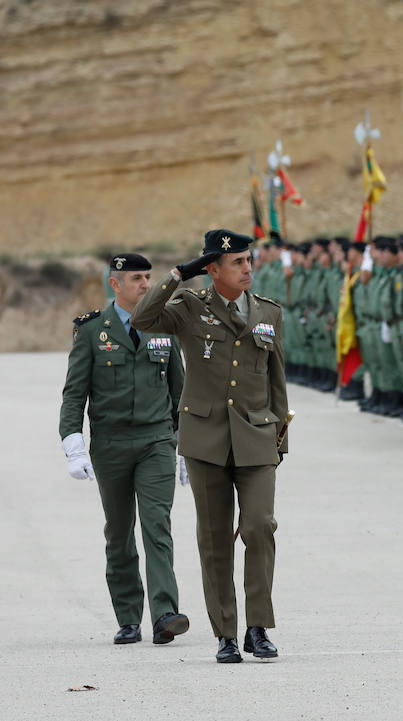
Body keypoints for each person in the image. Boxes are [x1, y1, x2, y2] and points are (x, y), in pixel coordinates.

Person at [131, 229, 289, 664]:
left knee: (259, 527)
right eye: (237, 262)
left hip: (257, 438)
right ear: (213, 269)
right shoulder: (188, 309)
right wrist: (178, 276)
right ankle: (226, 633)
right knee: (215, 539)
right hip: (207, 440)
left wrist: (280, 440)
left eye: (249, 261)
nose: (247, 269)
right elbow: (143, 318)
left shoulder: (268, 313)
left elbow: (277, 379)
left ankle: (258, 627)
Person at [59, 252, 190, 646]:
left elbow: (179, 392)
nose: (146, 285)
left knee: (158, 526)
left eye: (149, 277)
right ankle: (128, 617)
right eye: (137, 278)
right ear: (114, 284)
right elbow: (74, 393)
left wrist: (186, 444)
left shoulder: (164, 327)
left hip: (156, 442)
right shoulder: (92, 330)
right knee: (119, 532)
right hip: (111, 445)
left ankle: (165, 613)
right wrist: (73, 442)